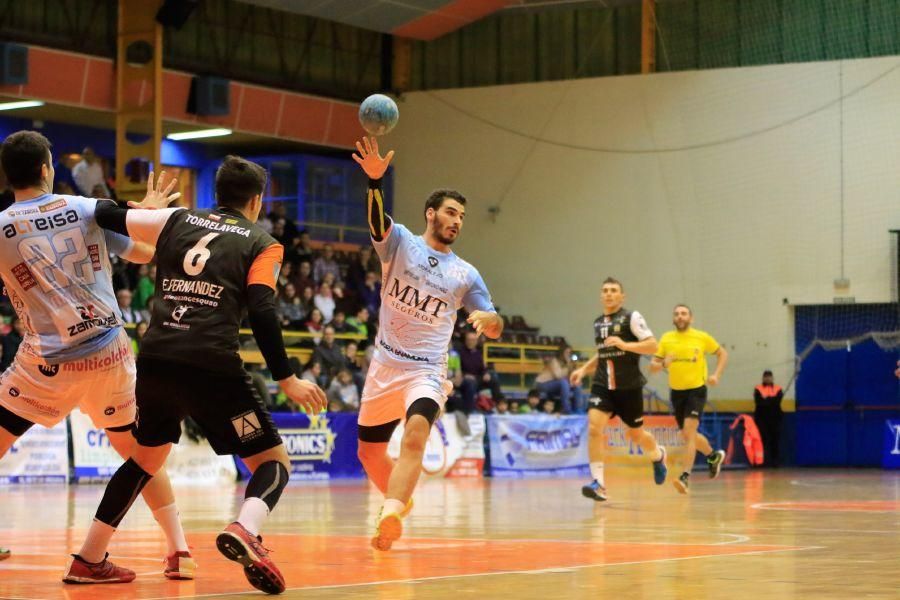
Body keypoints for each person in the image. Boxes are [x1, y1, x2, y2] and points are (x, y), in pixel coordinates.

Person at [66, 155, 326, 594]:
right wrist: (286, 378)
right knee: (272, 462)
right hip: (211, 367)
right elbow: (262, 307)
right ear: (257, 200)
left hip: (156, 358)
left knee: (144, 460)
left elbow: (104, 213)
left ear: (215, 194)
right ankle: (247, 529)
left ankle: (90, 557)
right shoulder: (263, 243)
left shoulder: (176, 219)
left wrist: (142, 207)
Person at [0, 131, 192, 578]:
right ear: (47, 168)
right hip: (108, 355)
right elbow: (145, 251)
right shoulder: (84, 208)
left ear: (9, 176)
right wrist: (144, 214)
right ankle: (179, 550)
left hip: (45, 362)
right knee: (138, 453)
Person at [352, 137, 503, 551]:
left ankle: (390, 513)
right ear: (430, 214)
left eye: (462, 216)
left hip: (427, 370)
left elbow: (493, 325)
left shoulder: (466, 274)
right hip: (385, 365)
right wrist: (374, 182)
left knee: (416, 434)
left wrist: (492, 320)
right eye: (451, 212)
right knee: (368, 454)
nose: (457, 221)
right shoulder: (401, 242)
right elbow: (376, 223)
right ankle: (401, 499)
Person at [570, 277, 667, 502]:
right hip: (603, 385)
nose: (609, 294)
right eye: (605, 290)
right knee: (594, 428)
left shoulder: (631, 317)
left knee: (635, 434)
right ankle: (599, 484)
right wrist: (584, 370)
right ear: (600, 295)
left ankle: (657, 455)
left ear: (622, 296)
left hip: (629, 387)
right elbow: (603, 352)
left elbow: (653, 345)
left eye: (614, 290)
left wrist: (625, 345)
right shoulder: (598, 322)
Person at [649, 304, 728, 494]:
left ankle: (685, 477)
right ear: (673, 319)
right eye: (676, 314)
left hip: (696, 390)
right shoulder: (667, 338)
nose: (680, 316)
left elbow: (722, 353)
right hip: (677, 393)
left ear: (690, 318)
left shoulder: (701, 337)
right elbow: (653, 365)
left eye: (684, 314)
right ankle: (712, 456)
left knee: (689, 433)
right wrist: (663, 364)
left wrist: (716, 375)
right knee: (686, 434)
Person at [458, 330, 505, 414]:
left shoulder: (479, 353)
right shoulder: (460, 352)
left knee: (493, 377)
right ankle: (469, 411)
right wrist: (465, 375)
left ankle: (499, 405)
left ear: (476, 341)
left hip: (478, 378)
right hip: (465, 379)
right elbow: (457, 369)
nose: (471, 342)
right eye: (469, 339)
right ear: (465, 340)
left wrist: (486, 373)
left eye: (473, 340)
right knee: (470, 382)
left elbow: (483, 368)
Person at [753, 370, 783, 468]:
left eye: (769, 377)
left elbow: (777, 402)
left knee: (775, 441)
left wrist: (766, 399)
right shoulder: (758, 388)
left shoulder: (778, 389)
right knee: (762, 441)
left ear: (772, 378)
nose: (767, 378)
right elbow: (759, 402)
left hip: (775, 419)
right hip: (761, 419)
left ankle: (775, 462)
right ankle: (761, 462)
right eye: (766, 377)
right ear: (763, 378)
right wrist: (770, 400)